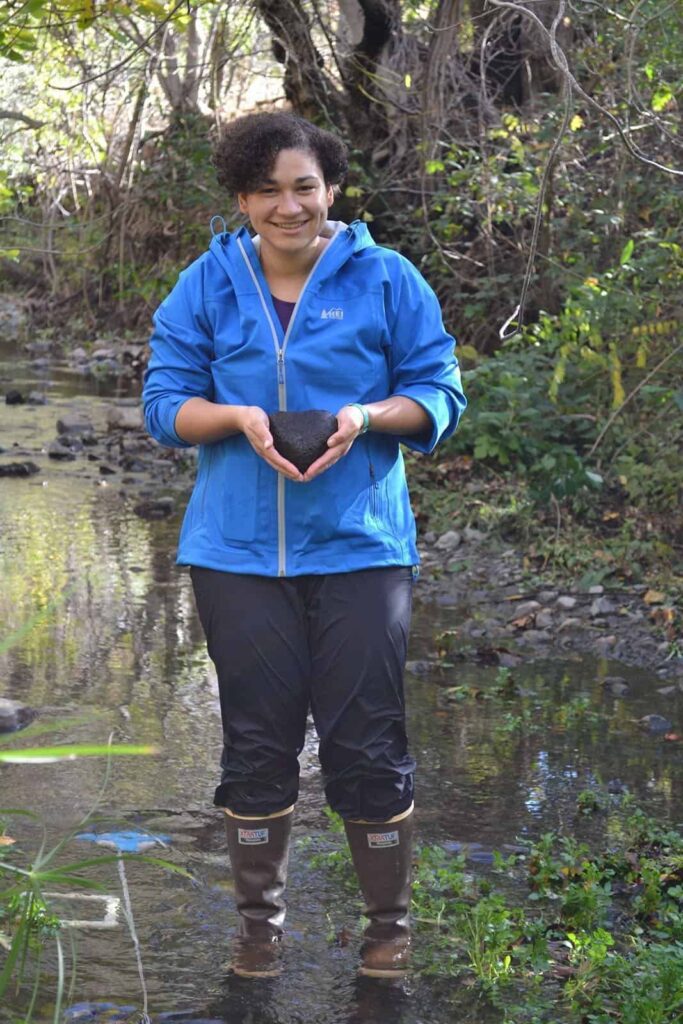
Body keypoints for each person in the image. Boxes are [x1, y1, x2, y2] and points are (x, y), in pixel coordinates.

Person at [143, 111, 466, 979]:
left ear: (329, 190)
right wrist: (239, 417)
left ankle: (387, 928)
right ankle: (258, 929)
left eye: (304, 187)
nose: (287, 207)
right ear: (242, 197)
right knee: (255, 742)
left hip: (360, 545)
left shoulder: (386, 278)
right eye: (267, 190)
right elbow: (164, 405)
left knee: (365, 739)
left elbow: (437, 391)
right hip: (235, 553)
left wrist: (362, 415)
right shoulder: (205, 286)